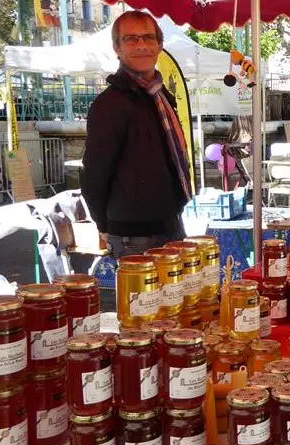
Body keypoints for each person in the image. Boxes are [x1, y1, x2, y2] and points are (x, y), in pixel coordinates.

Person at [81, 11, 193, 259]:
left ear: (159, 45)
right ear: (117, 48)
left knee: (179, 297)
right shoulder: (110, 103)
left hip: (170, 223)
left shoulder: (161, 96)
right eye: (131, 39)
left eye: (148, 38)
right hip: (133, 235)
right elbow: (94, 174)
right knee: (143, 300)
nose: (141, 45)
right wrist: (104, 226)